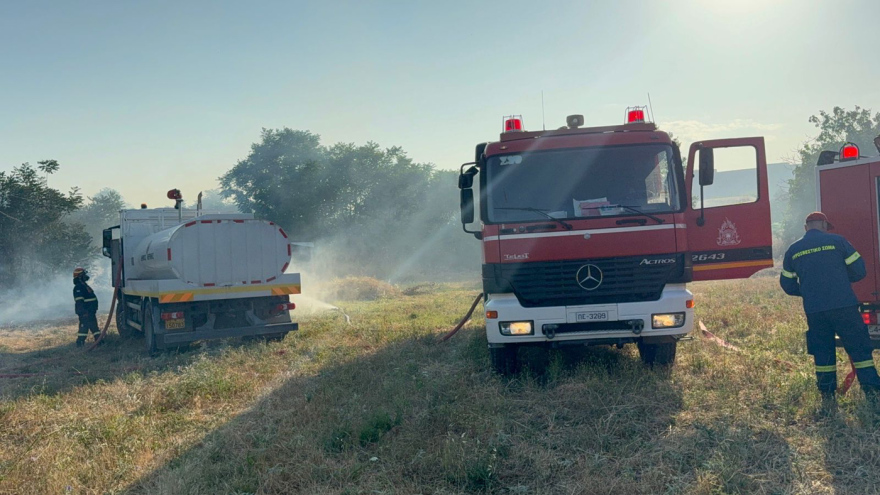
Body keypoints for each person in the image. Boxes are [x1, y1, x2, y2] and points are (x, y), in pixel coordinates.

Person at [780, 212, 880, 411]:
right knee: (859, 348)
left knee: (823, 351)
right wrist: (840, 283)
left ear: (806, 227)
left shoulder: (794, 250)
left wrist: (809, 291)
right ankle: (872, 392)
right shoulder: (838, 241)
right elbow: (860, 271)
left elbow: (787, 284)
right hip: (844, 306)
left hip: (815, 310)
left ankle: (827, 395)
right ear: (824, 225)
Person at [73, 267, 100, 347]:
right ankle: (80, 343)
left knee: (94, 327)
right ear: (79, 276)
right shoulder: (78, 287)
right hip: (86, 312)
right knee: (83, 328)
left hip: (90, 311)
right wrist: (83, 312)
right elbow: (79, 302)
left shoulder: (84, 285)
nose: (86, 276)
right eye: (84, 274)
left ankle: (99, 341)